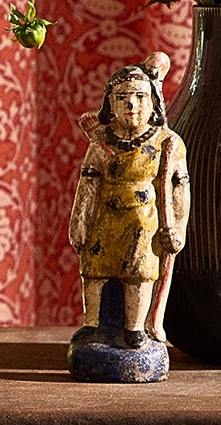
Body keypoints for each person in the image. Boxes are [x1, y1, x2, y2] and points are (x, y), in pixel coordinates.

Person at [68, 52, 189, 346]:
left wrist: (177, 226)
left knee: (139, 273)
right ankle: (91, 323)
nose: (131, 105)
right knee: (94, 269)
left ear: (153, 102)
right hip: (104, 216)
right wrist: (79, 221)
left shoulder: (167, 143)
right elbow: (88, 183)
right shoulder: (102, 142)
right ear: (110, 104)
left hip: (143, 221)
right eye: (122, 98)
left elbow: (178, 189)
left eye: (139, 97)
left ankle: (135, 328)